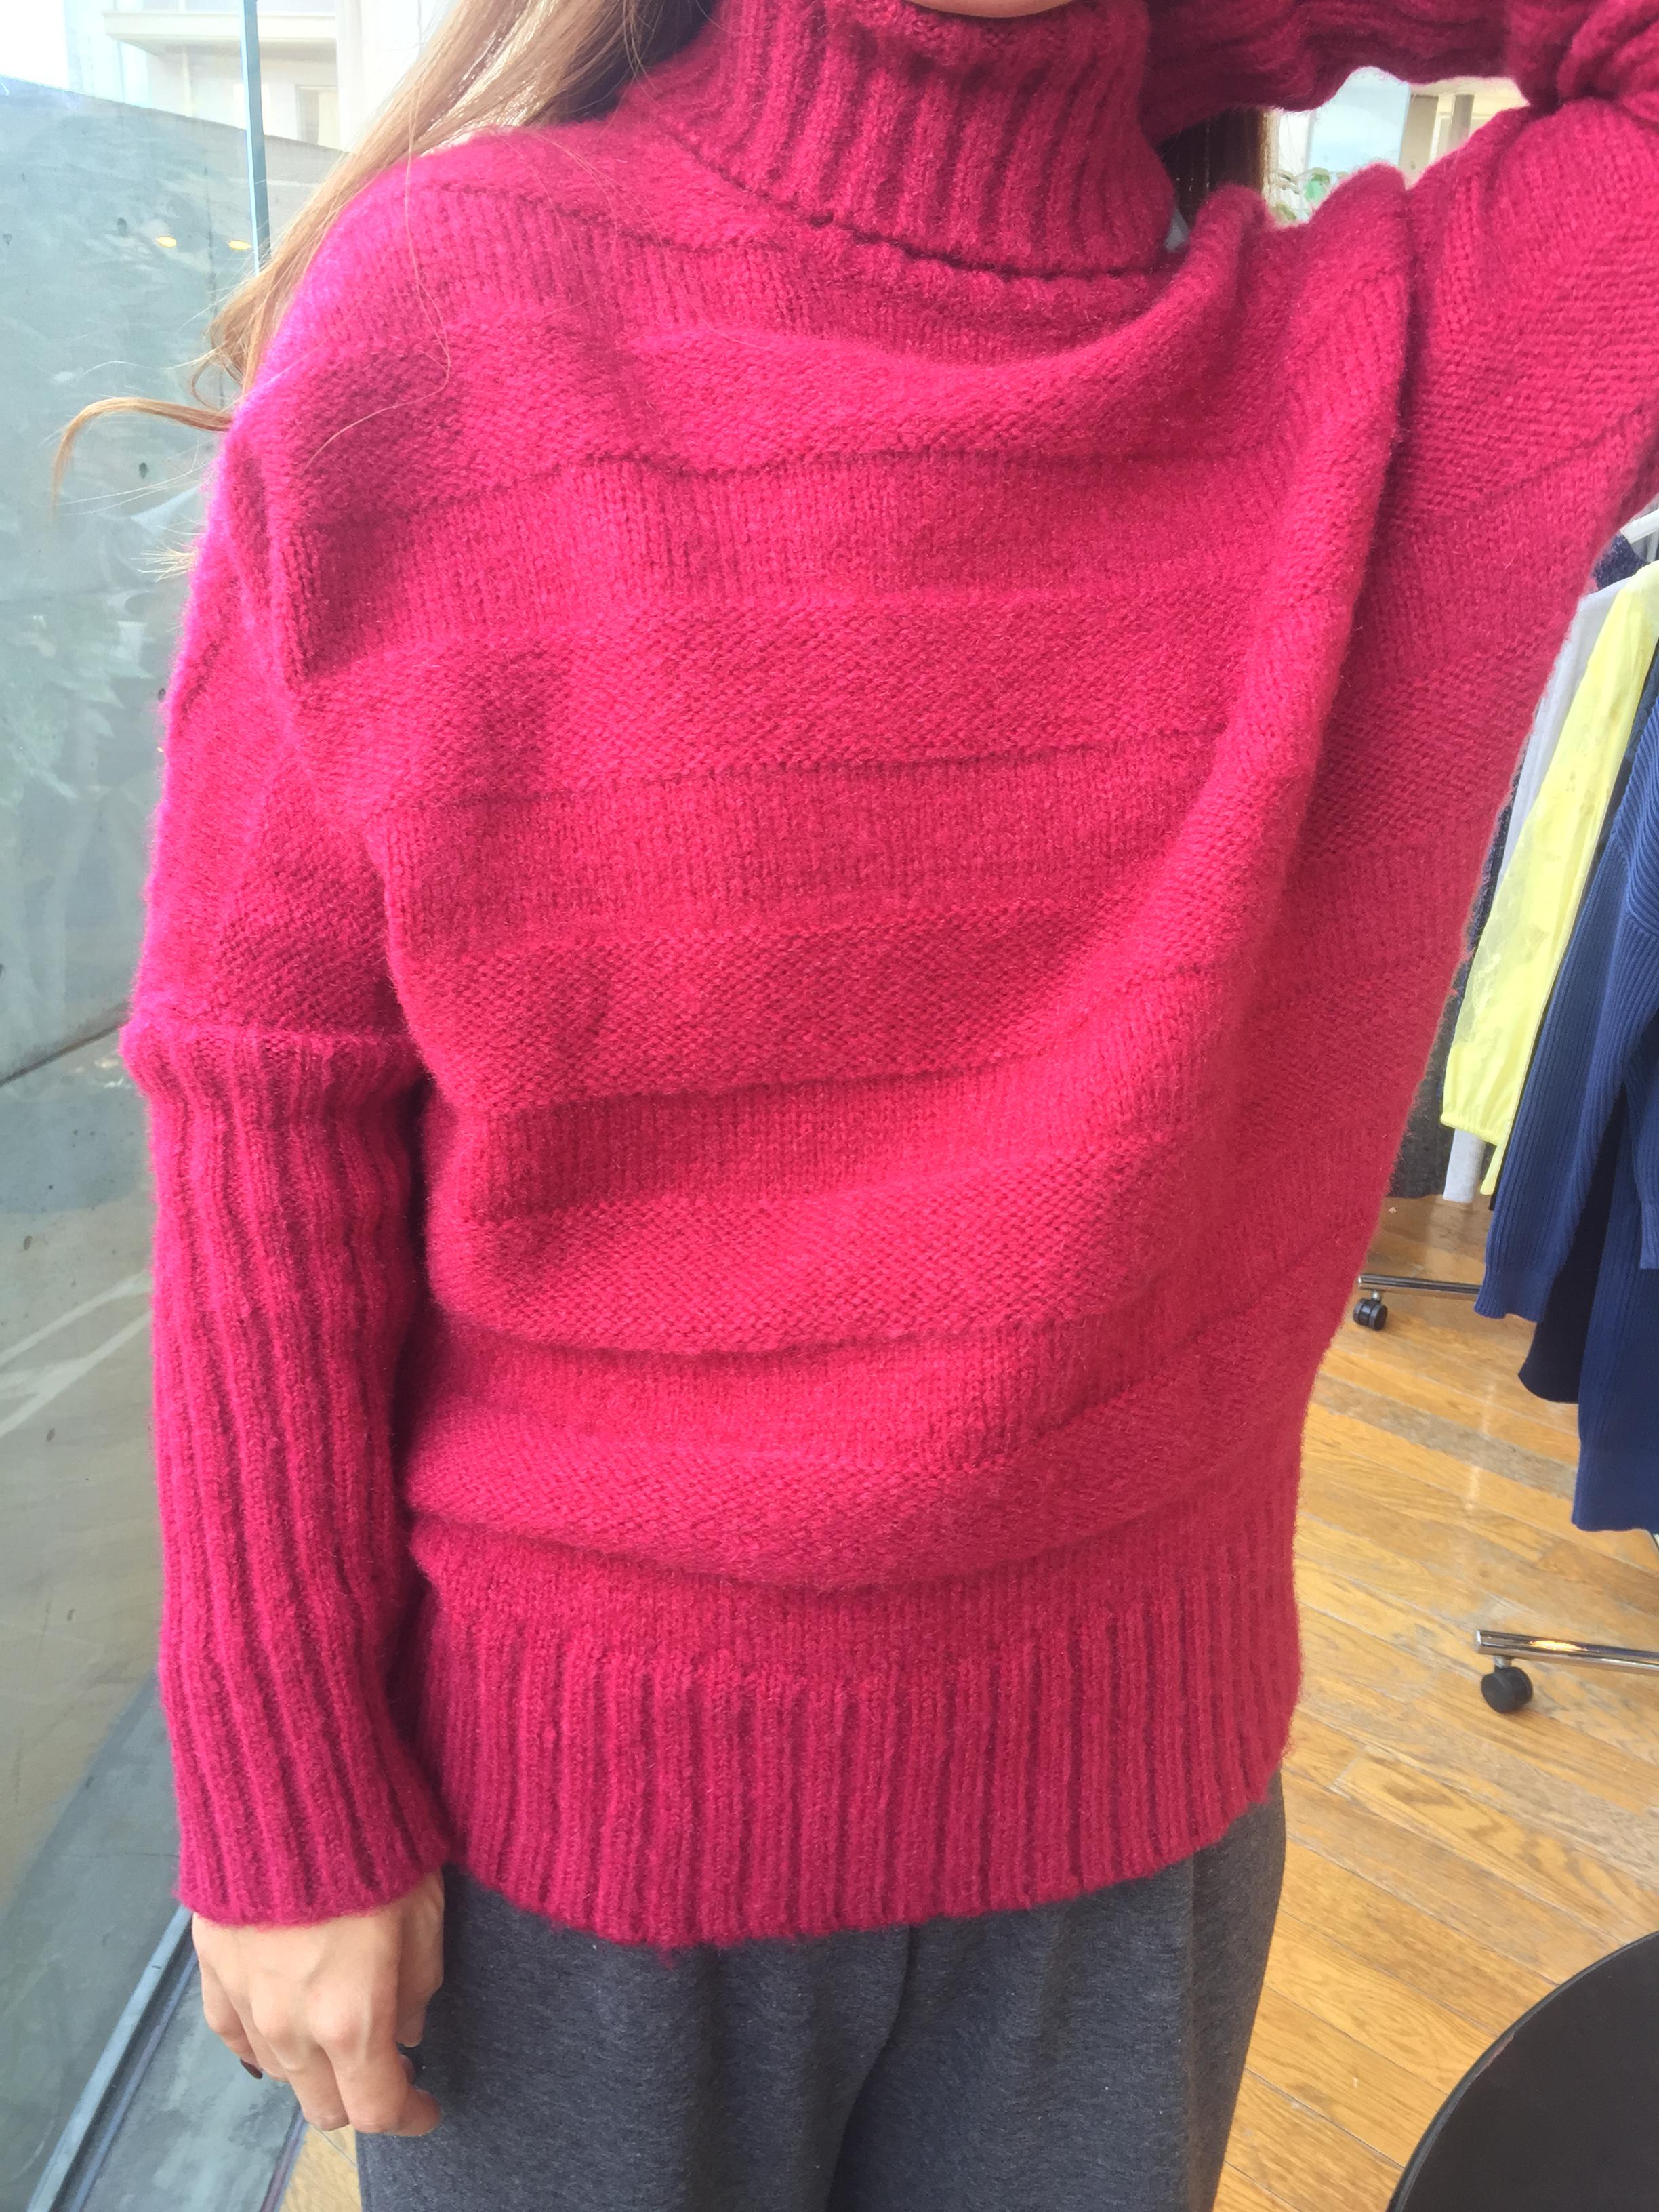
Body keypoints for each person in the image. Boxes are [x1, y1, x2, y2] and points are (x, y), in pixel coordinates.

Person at [67, 0, 1659, 2202]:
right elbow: (267, 1098)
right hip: (556, 1846)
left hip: (1127, 1821)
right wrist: (275, 1793)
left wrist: (1151, 33)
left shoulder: (1387, 361)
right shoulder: (453, 302)